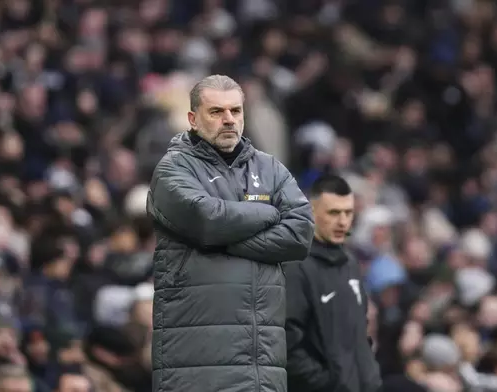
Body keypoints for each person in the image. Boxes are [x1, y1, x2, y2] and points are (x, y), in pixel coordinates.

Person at [147, 74, 314, 392]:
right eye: (216, 112)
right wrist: (269, 213)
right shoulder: (173, 170)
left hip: (261, 364)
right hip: (196, 365)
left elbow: (300, 233)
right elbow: (208, 221)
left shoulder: (271, 169)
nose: (228, 120)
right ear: (193, 119)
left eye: (235, 111)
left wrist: (227, 239)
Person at [284, 175, 382, 392]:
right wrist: (328, 384)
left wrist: (369, 376)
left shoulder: (350, 263)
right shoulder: (295, 266)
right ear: (311, 212)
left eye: (348, 213)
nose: (343, 222)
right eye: (334, 213)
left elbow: (360, 333)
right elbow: (286, 341)